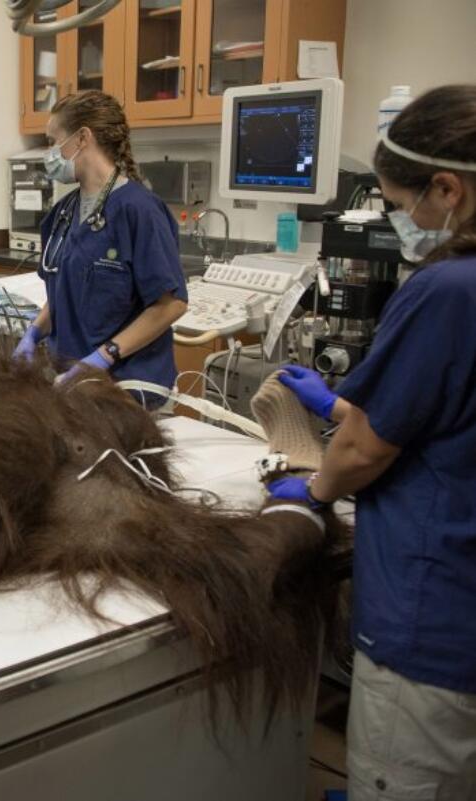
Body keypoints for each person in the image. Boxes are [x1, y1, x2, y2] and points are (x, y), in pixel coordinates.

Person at [269, 85, 476, 800]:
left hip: (435, 618)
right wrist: (346, 401)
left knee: (405, 772)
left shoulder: (448, 289)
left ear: (447, 189)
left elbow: (363, 450)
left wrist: (318, 486)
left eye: (402, 205)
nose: (404, 223)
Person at [12, 91, 186, 397]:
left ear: (82, 139)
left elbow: (170, 305)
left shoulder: (139, 211)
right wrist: (34, 332)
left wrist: (103, 357)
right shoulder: (62, 213)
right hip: (70, 381)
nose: (48, 153)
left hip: (127, 389)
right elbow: (65, 291)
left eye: (54, 141)